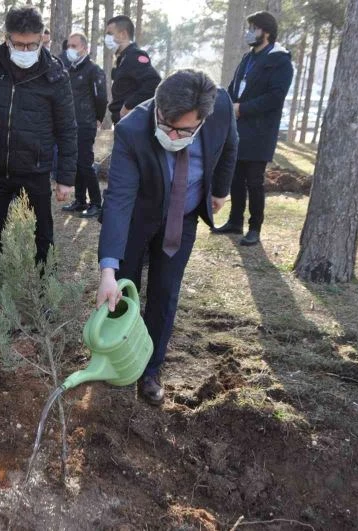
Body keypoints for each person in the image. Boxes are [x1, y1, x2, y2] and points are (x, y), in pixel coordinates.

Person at [97, 70, 237, 405]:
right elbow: (118, 199)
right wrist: (107, 271)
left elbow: (230, 145)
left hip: (183, 217)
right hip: (137, 216)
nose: (170, 134)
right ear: (158, 106)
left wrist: (219, 190)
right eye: (164, 123)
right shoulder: (133, 129)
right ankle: (120, 360)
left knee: (165, 291)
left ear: (202, 119)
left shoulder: (221, 109)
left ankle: (150, 370)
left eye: (182, 130)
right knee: (123, 289)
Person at [0, 6, 77, 303]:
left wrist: (66, 178)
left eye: (31, 44)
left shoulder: (55, 73)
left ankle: (46, 291)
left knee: (42, 235)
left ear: (42, 38)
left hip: (35, 168)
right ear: (7, 38)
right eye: (18, 44)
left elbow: (67, 128)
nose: (24, 50)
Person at [212, 10, 292, 246]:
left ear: (266, 32)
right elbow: (234, 86)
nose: (249, 33)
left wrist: (242, 109)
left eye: (253, 28)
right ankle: (235, 221)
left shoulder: (280, 61)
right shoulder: (248, 58)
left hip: (260, 131)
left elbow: (275, 97)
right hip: (238, 128)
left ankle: (255, 227)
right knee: (235, 177)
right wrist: (226, 104)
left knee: (254, 181)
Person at [60, 32, 108, 218]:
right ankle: (80, 200)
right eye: (68, 46)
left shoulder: (93, 70)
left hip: (86, 123)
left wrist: (98, 118)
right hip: (70, 123)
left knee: (85, 164)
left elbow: (101, 97)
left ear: (84, 49)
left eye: (74, 46)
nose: (70, 49)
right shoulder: (69, 69)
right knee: (77, 163)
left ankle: (96, 203)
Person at [104, 15, 161, 125]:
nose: (107, 38)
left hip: (132, 122)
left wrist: (129, 105)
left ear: (123, 34)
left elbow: (154, 82)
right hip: (122, 122)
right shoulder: (123, 58)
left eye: (110, 33)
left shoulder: (134, 56)